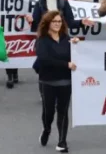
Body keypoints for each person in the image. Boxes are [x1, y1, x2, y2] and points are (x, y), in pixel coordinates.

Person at [35, 10, 79, 153]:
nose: (57, 24)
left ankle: (62, 141)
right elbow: (44, 59)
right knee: (49, 112)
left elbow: (75, 55)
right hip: (47, 81)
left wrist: (77, 45)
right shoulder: (42, 40)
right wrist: (65, 64)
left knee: (63, 111)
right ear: (48, 23)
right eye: (54, 21)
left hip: (65, 81)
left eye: (59, 21)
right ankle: (47, 129)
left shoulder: (66, 38)